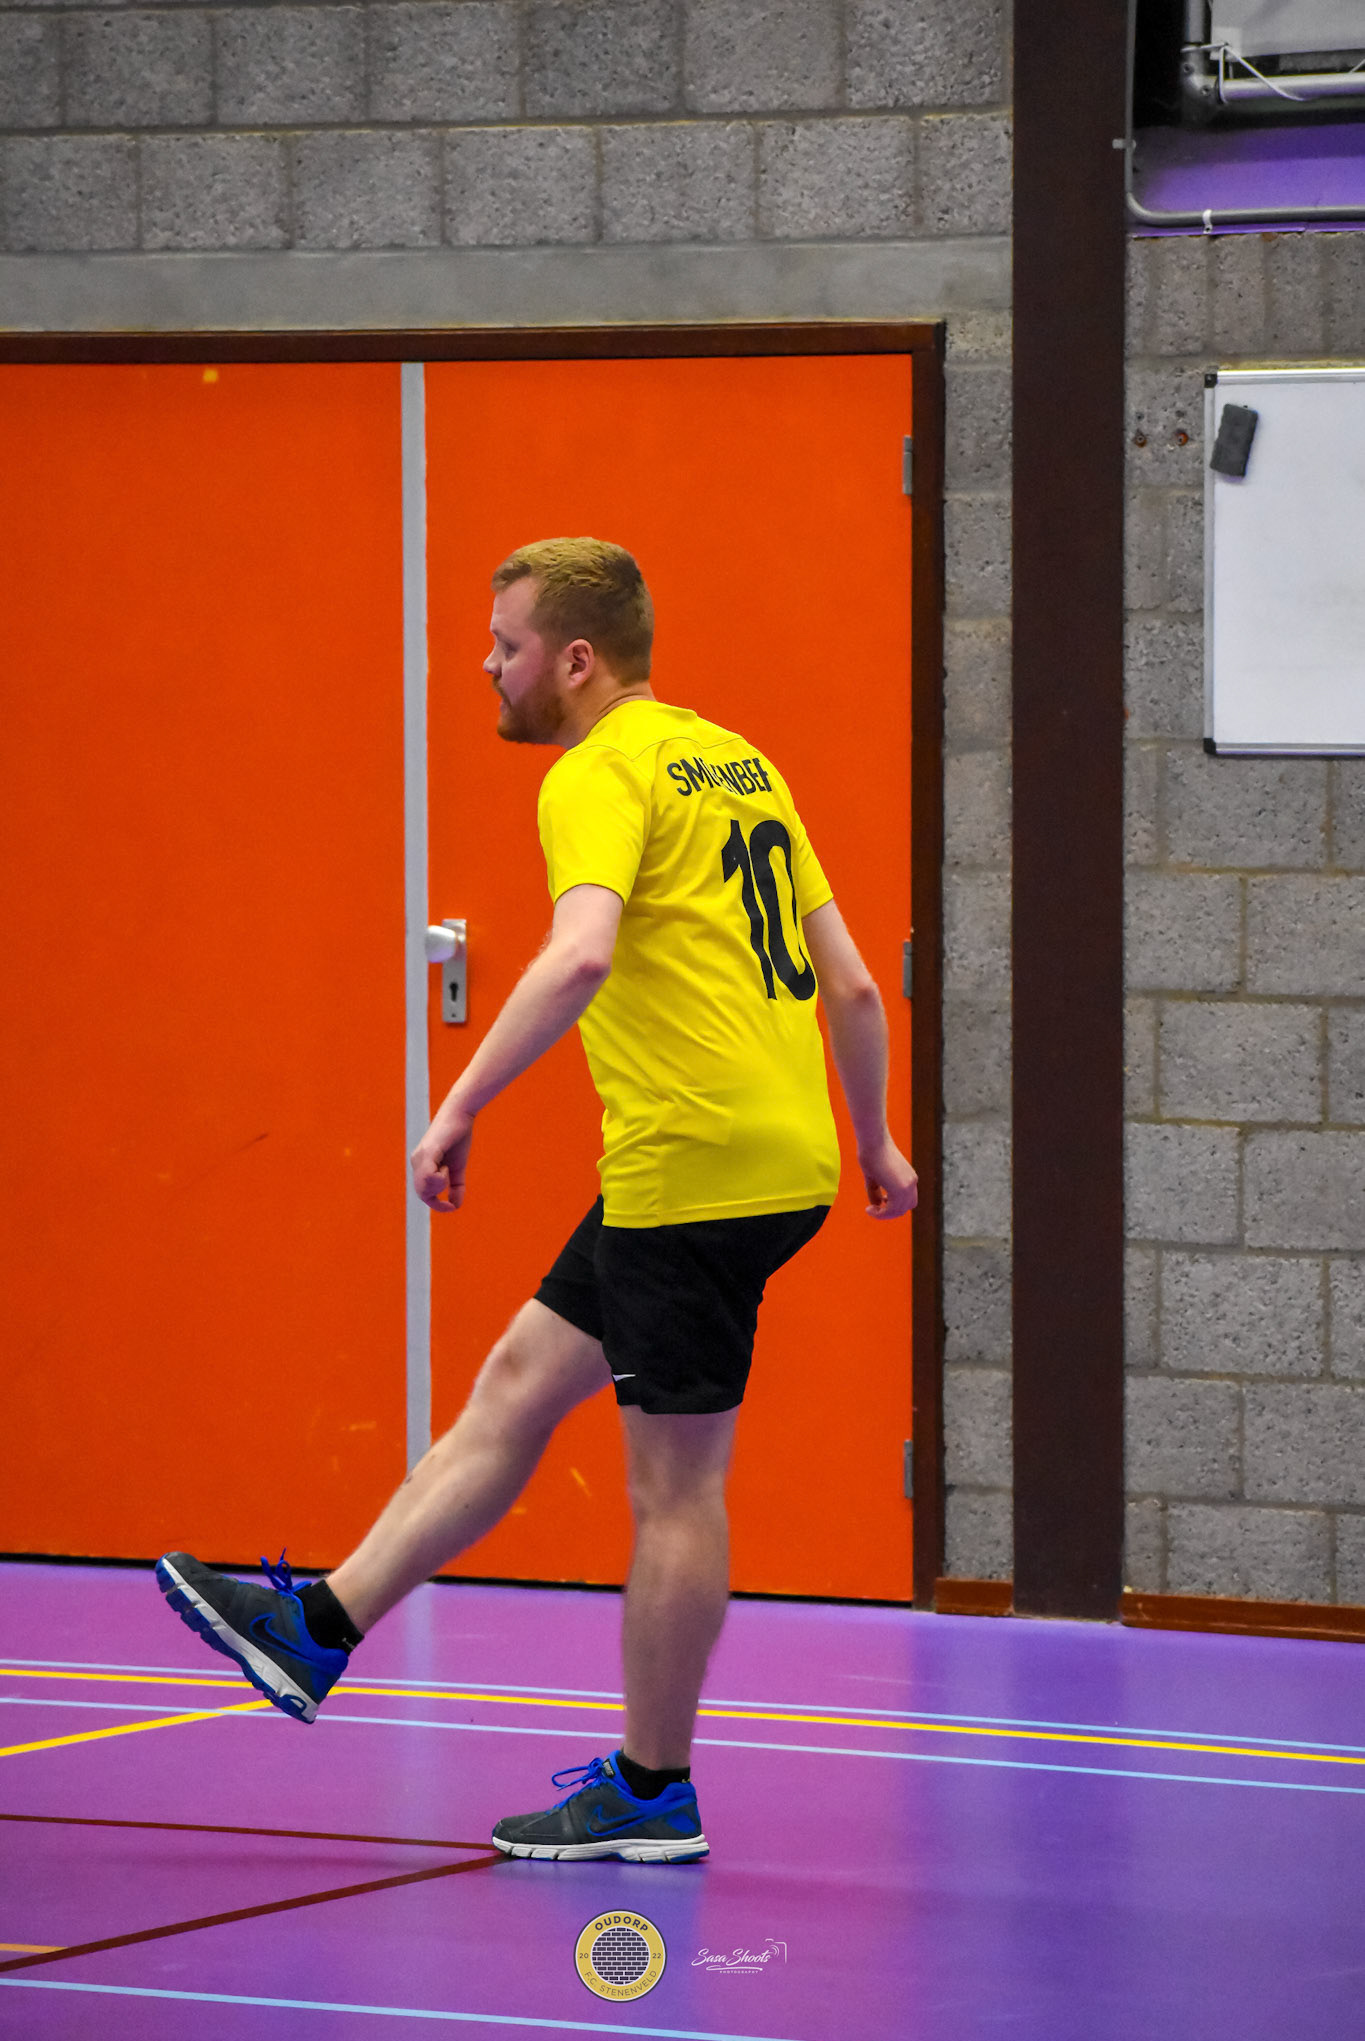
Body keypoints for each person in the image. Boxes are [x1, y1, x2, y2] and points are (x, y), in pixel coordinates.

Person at [157, 536, 916, 1864]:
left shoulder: (597, 771)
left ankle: (651, 1789)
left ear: (573, 661)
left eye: (503, 647)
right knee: (516, 1383)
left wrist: (457, 1104)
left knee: (676, 1488)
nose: (486, 667)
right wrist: (872, 1141)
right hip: (761, 1157)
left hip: (692, 1170)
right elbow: (850, 983)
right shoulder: (737, 762)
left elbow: (579, 955)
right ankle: (317, 1627)